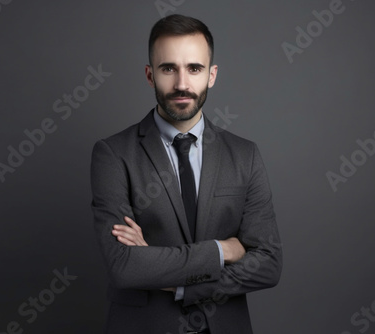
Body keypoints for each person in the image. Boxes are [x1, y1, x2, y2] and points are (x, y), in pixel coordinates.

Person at [91, 14, 282, 334]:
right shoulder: (113, 154)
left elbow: (269, 266)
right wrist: (224, 250)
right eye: (169, 69)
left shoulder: (244, 155)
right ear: (150, 75)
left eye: (194, 68)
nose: (182, 84)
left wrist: (179, 284)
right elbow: (124, 267)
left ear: (212, 75)